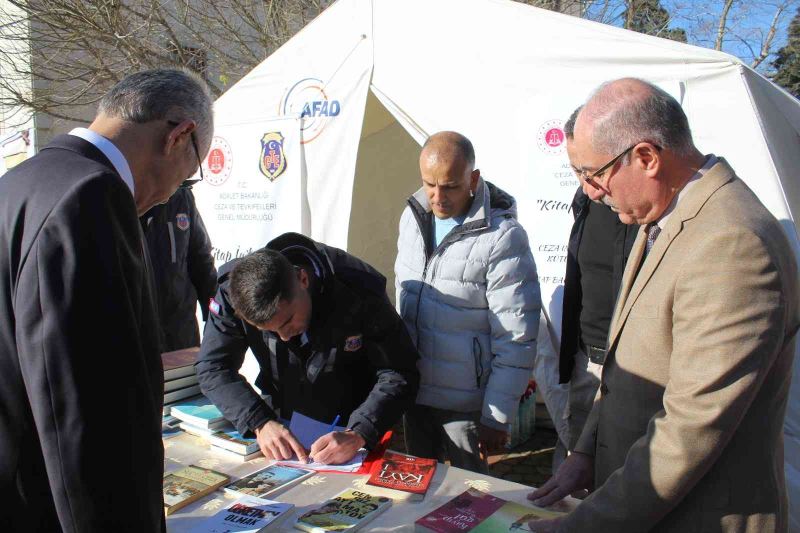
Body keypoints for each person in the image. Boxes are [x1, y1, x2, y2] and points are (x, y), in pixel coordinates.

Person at [528, 78, 799, 532]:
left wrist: (580, 528)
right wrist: (588, 452)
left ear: (647, 158)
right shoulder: (665, 217)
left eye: (595, 174)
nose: (592, 192)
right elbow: (624, 365)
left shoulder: (731, 241)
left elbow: (692, 428)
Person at [0, 69, 213, 531]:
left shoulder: (21, 181)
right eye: (188, 178)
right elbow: (82, 410)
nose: (172, 195)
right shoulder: (90, 196)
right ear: (179, 136)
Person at [196, 232, 419, 465]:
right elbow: (213, 366)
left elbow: (399, 370)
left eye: (287, 321)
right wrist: (259, 422)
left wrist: (359, 432)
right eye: (269, 331)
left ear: (303, 279)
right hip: (283, 420)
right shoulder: (233, 291)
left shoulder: (357, 288)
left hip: (353, 424)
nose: (283, 336)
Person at [395, 131, 541, 474]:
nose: (437, 196)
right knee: (417, 493)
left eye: (450, 186)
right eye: (429, 184)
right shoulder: (411, 219)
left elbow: (517, 335)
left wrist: (497, 415)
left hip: (467, 406)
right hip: (415, 396)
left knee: (470, 504)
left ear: (473, 179)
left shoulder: (503, 237)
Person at [559, 106, 638, 460]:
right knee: (575, 462)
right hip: (588, 360)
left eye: (590, 170)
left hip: (634, 367)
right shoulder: (587, 204)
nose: (587, 185)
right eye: (576, 171)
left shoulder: (649, 213)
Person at [141, 184, 217, 351]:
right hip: (138, 337)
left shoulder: (182, 196)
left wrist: (217, 316)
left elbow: (202, 262)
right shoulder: (120, 195)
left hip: (181, 334)